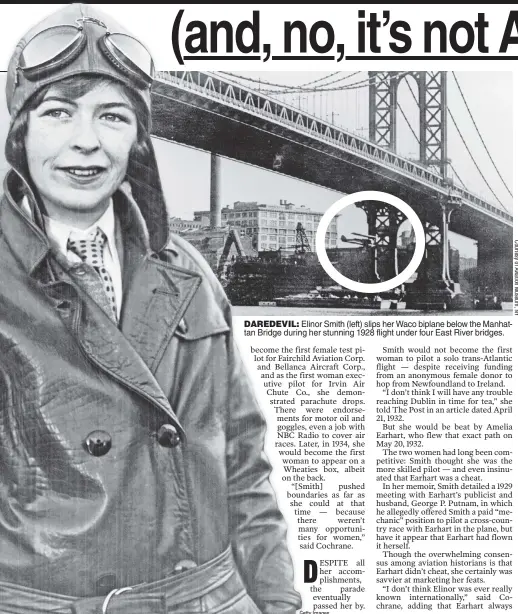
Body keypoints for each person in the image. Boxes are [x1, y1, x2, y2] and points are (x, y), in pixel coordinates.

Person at [0, 4, 301, 614]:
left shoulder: (189, 270)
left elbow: (246, 464)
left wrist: (279, 604)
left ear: (138, 139)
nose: (86, 140)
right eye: (58, 113)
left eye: (112, 116)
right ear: (21, 134)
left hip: (217, 599)